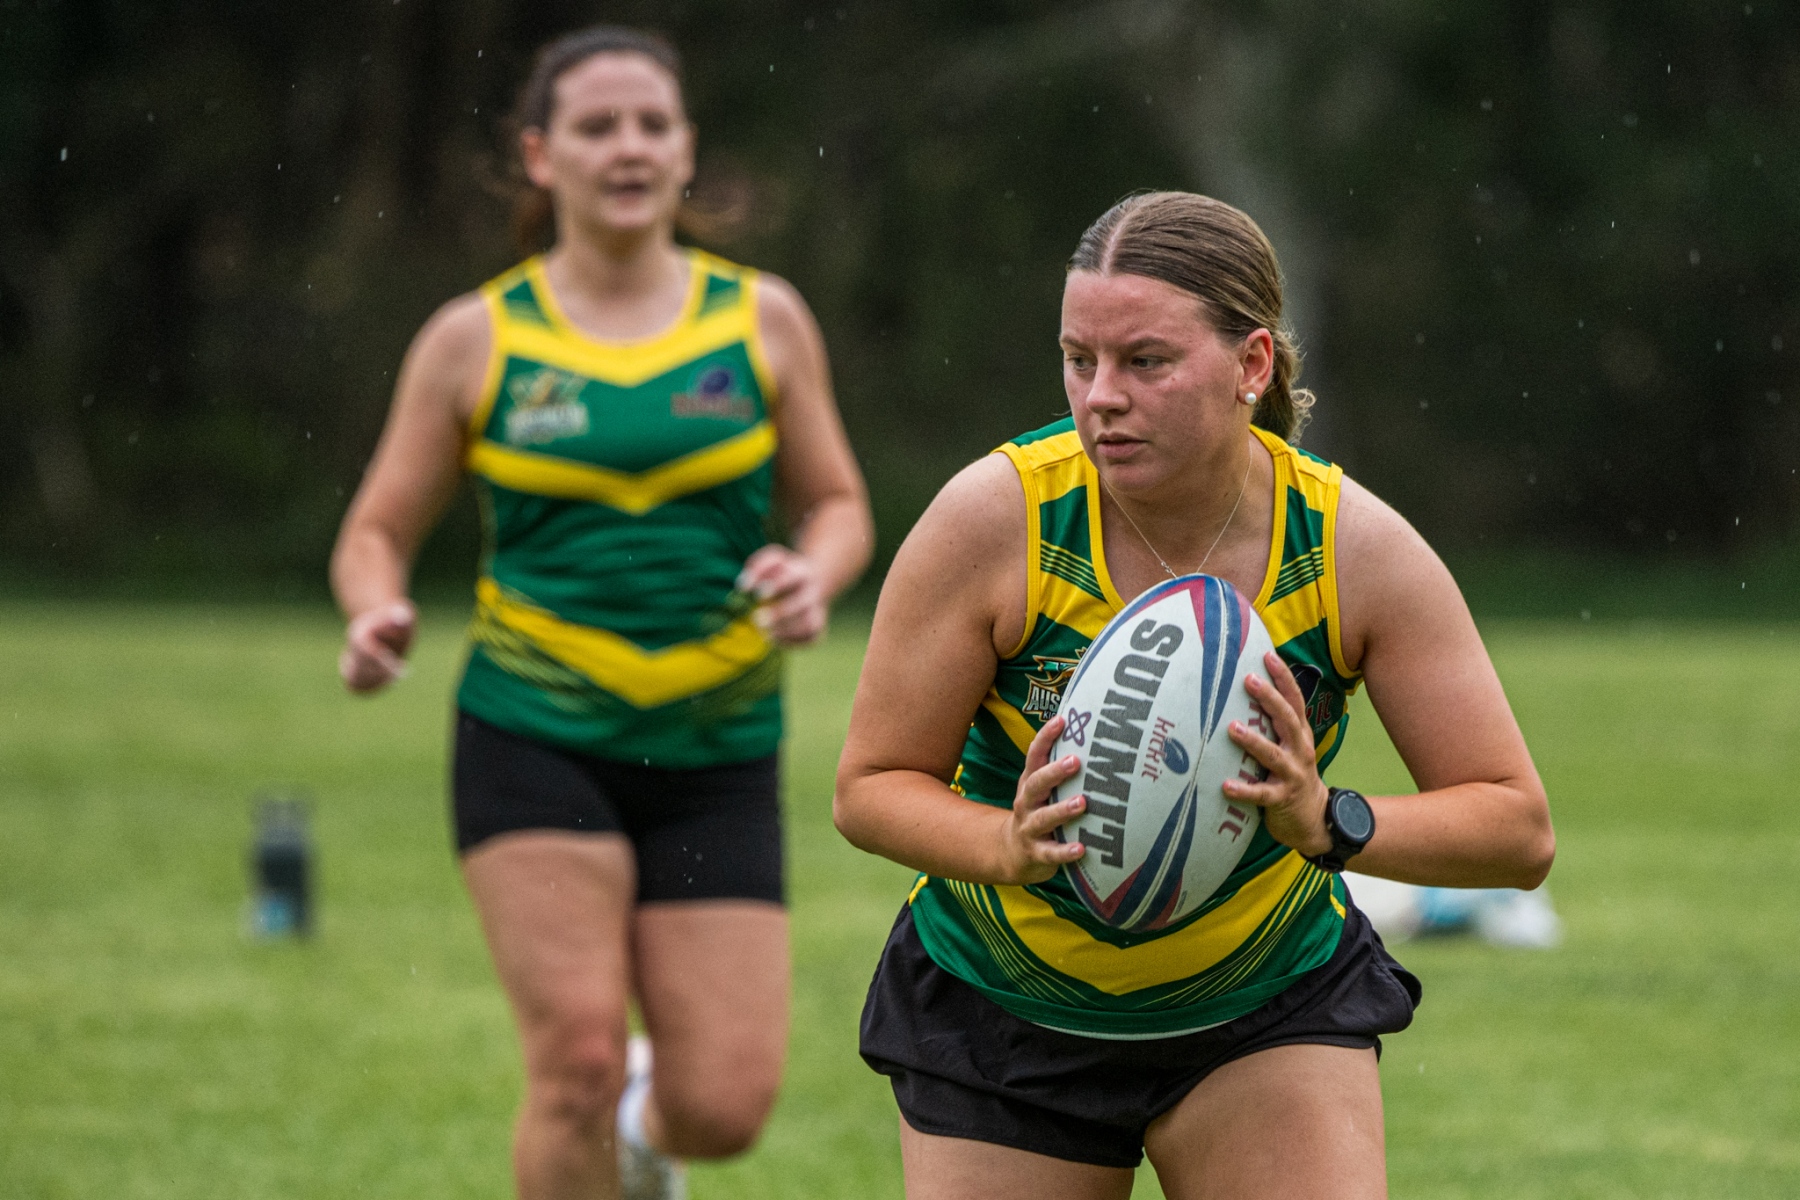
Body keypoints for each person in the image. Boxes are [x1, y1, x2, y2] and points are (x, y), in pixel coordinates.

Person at [834, 191, 1553, 1199]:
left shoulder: (1350, 547)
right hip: (1003, 1002)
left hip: (1264, 1002)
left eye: (1145, 361)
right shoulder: (997, 520)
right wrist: (1004, 845)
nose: (1101, 397)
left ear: (1252, 364)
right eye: (1078, 359)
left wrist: (1328, 820)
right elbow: (870, 787)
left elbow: (1517, 829)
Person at [330, 26, 872, 1200]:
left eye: (651, 124)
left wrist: (811, 574)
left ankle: (640, 1124)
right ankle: (598, 1101)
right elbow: (374, 531)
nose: (628, 147)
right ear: (540, 155)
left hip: (718, 743)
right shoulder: (477, 338)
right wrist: (376, 613)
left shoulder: (763, 320)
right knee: (572, 1059)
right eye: (596, 126)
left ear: (686, 150)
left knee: (722, 1108)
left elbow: (838, 506)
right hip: (534, 729)